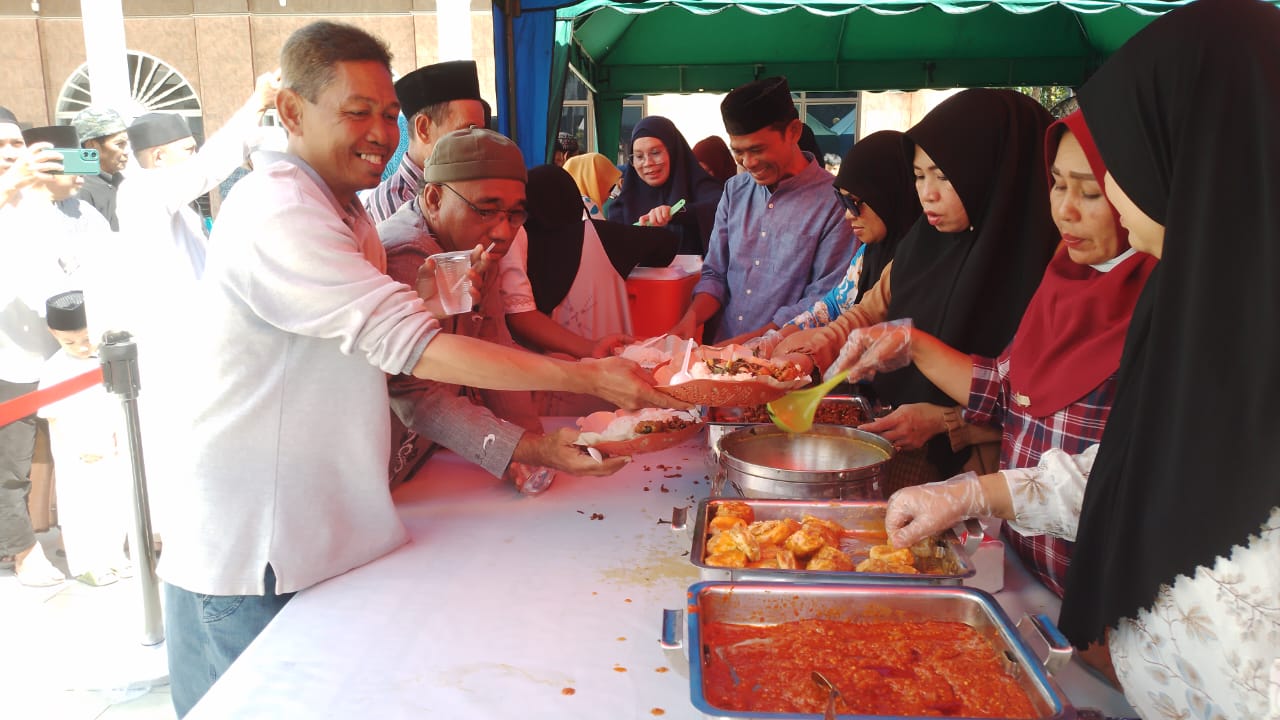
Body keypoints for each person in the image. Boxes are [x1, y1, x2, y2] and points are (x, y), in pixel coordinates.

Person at [160, 22, 684, 716]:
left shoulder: (348, 215)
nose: (381, 132)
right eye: (357, 112)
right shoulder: (280, 212)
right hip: (254, 550)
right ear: (290, 111)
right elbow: (415, 362)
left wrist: (546, 432)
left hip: (322, 526)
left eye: (388, 115)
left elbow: (461, 351)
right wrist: (586, 383)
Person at [885, 2, 1280, 716]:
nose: (1069, 208)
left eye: (1107, 172)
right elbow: (1141, 468)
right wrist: (975, 493)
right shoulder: (1198, 304)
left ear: (1191, 155)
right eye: (1059, 183)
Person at [841, 112, 1156, 598]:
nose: (1065, 212)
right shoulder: (1065, 276)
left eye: (1090, 192)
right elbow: (1009, 388)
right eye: (1055, 185)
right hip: (1024, 568)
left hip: (1104, 596)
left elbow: (1132, 478)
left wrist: (969, 484)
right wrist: (912, 344)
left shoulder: (1173, 306)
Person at [776, 89, 1058, 491]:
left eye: (944, 176)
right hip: (907, 454)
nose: (927, 193)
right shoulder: (923, 241)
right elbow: (870, 309)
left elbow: (1042, 406)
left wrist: (947, 422)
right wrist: (819, 348)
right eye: (919, 175)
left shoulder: (1051, 268)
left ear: (995, 171)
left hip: (988, 480)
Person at [378, 128, 628, 489]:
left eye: (515, 214)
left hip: (431, 453)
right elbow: (414, 395)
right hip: (384, 463)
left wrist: (534, 447)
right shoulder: (406, 252)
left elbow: (494, 345)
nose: (503, 231)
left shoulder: (476, 244)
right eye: (486, 210)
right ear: (433, 198)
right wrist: (530, 449)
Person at [672, 76, 855, 344]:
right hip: (721, 352)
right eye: (739, 152)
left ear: (793, 132)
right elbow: (715, 274)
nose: (748, 163)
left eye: (757, 150)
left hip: (787, 359)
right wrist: (691, 318)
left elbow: (823, 300)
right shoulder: (735, 190)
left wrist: (754, 342)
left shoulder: (833, 202)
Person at [502, 164, 679, 413]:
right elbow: (667, 245)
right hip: (612, 385)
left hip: (541, 388)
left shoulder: (513, 244)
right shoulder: (600, 235)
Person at [782, 130, 921, 333]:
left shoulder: (921, 260)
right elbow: (835, 305)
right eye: (842, 201)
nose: (848, 215)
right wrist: (783, 334)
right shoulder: (868, 253)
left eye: (854, 202)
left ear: (889, 194)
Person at [37, 291, 131, 586]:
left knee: (115, 503)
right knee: (83, 508)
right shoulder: (54, 367)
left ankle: (116, 556)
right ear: (53, 334)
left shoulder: (106, 357)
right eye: (70, 342)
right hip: (78, 451)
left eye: (86, 338)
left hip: (112, 444)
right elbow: (52, 415)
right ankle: (88, 563)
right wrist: (80, 446)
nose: (81, 347)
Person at [361, 60, 488, 224]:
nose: (478, 142)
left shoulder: (464, 185)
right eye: (467, 130)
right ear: (423, 129)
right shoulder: (395, 205)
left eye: (481, 131)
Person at [607, 116, 724, 255]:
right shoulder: (622, 204)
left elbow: (720, 208)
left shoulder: (702, 187)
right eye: (639, 156)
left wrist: (676, 212)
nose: (647, 162)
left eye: (655, 153)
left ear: (673, 151)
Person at [71, 106, 130, 231]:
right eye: (119, 144)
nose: (126, 151)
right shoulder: (81, 189)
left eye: (126, 144)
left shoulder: (119, 181)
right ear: (92, 146)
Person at [562, 152, 620, 220]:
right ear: (594, 184)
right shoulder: (586, 206)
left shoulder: (561, 203)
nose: (610, 194)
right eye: (610, 188)